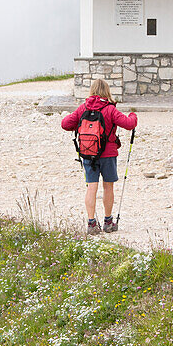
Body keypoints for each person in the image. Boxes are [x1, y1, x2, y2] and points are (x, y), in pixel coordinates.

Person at [60, 79, 137, 235]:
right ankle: (108, 222)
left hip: (88, 153)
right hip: (108, 154)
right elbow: (129, 124)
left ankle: (91, 224)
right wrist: (133, 114)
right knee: (108, 186)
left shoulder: (83, 108)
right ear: (107, 91)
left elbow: (65, 124)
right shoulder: (110, 109)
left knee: (91, 187)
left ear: (92, 91)